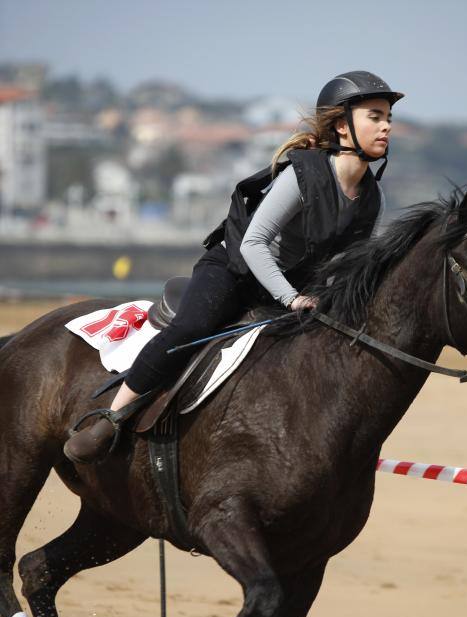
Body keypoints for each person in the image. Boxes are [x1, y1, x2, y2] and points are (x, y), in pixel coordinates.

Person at [64, 70, 404, 464]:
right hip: (234, 268)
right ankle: (110, 419)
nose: (386, 127)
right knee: (190, 328)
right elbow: (254, 243)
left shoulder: (370, 197)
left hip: (286, 287)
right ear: (343, 127)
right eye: (375, 117)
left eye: (388, 119)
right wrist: (290, 298)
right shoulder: (304, 175)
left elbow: (349, 268)